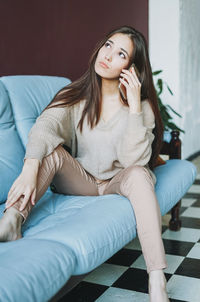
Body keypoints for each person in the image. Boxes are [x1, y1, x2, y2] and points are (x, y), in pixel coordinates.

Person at [0, 25, 170, 301]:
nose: (108, 55)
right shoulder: (76, 96)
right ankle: (11, 221)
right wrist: (31, 168)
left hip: (119, 181)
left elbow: (133, 161)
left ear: (132, 68)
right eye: (108, 46)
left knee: (139, 174)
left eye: (121, 53)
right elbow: (45, 127)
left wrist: (136, 108)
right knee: (51, 152)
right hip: (83, 181)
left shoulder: (143, 108)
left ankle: (157, 280)